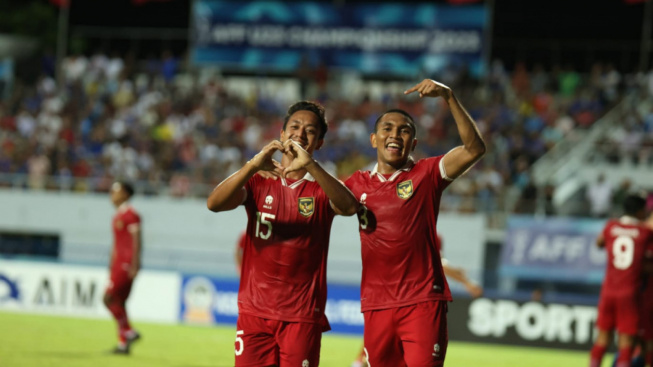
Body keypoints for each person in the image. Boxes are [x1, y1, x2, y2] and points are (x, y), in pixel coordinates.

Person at [344, 79, 486, 366]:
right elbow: (316, 203)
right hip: (377, 305)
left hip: (422, 301)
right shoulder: (355, 183)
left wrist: (448, 96)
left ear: (414, 143)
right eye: (387, 128)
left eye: (404, 130)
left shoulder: (427, 173)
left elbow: (473, 149)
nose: (395, 135)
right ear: (373, 139)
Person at [207, 101, 359, 366]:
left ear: (319, 143)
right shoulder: (258, 180)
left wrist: (311, 166)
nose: (300, 134)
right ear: (281, 133)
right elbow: (214, 204)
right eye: (294, 127)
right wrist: (252, 166)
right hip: (255, 313)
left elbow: (349, 207)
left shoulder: (323, 187)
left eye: (310, 131)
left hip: (301, 315)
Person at [350, 233, 483, 367]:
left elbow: (439, 262)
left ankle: (360, 361)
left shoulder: (431, 235)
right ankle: (361, 361)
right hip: (397, 296)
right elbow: (441, 264)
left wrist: (463, 278)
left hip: (405, 297)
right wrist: (466, 282)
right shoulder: (403, 230)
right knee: (383, 340)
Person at [589, 194, 653, 367]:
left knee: (602, 339)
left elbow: (599, 243)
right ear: (641, 212)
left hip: (608, 291)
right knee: (626, 342)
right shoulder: (644, 232)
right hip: (629, 293)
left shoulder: (610, 226)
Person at [104, 181, 142, 354]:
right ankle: (123, 344)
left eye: (116, 191)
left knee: (108, 298)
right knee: (120, 302)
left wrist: (135, 264)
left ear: (126, 194)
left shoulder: (131, 215)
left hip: (126, 265)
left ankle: (128, 331)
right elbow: (116, 244)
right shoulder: (117, 216)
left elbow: (136, 241)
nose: (112, 194)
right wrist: (111, 265)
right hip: (118, 264)